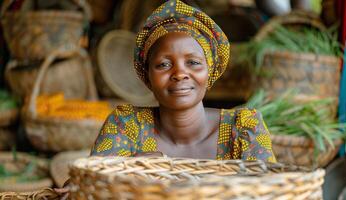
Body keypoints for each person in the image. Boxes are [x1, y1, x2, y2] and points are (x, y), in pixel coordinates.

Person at [90, 0, 276, 162]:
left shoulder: (243, 129)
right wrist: (127, 169)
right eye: (163, 64)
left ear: (209, 71)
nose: (179, 73)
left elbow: (266, 189)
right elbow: (94, 180)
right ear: (148, 75)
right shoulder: (128, 125)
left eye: (193, 63)